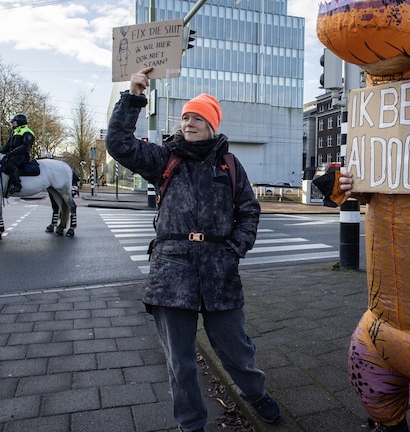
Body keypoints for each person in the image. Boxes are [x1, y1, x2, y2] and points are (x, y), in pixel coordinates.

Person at [105, 66, 280, 432]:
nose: (189, 122)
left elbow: (249, 210)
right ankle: (191, 424)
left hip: (220, 272)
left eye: (197, 117)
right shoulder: (163, 159)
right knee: (180, 363)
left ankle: (256, 394)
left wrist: (235, 249)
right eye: (185, 116)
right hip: (171, 273)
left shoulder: (230, 165)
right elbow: (118, 144)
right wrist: (134, 95)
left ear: (211, 124)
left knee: (237, 351)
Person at [0, 113, 35, 194]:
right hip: (13, 154)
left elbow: (25, 146)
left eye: (14, 122)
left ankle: (17, 185)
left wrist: (12, 152)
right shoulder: (15, 131)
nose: (12, 123)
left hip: (22, 155)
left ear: (20, 122)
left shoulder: (27, 132)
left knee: (11, 164)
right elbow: (8, 145)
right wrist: (0, 151)